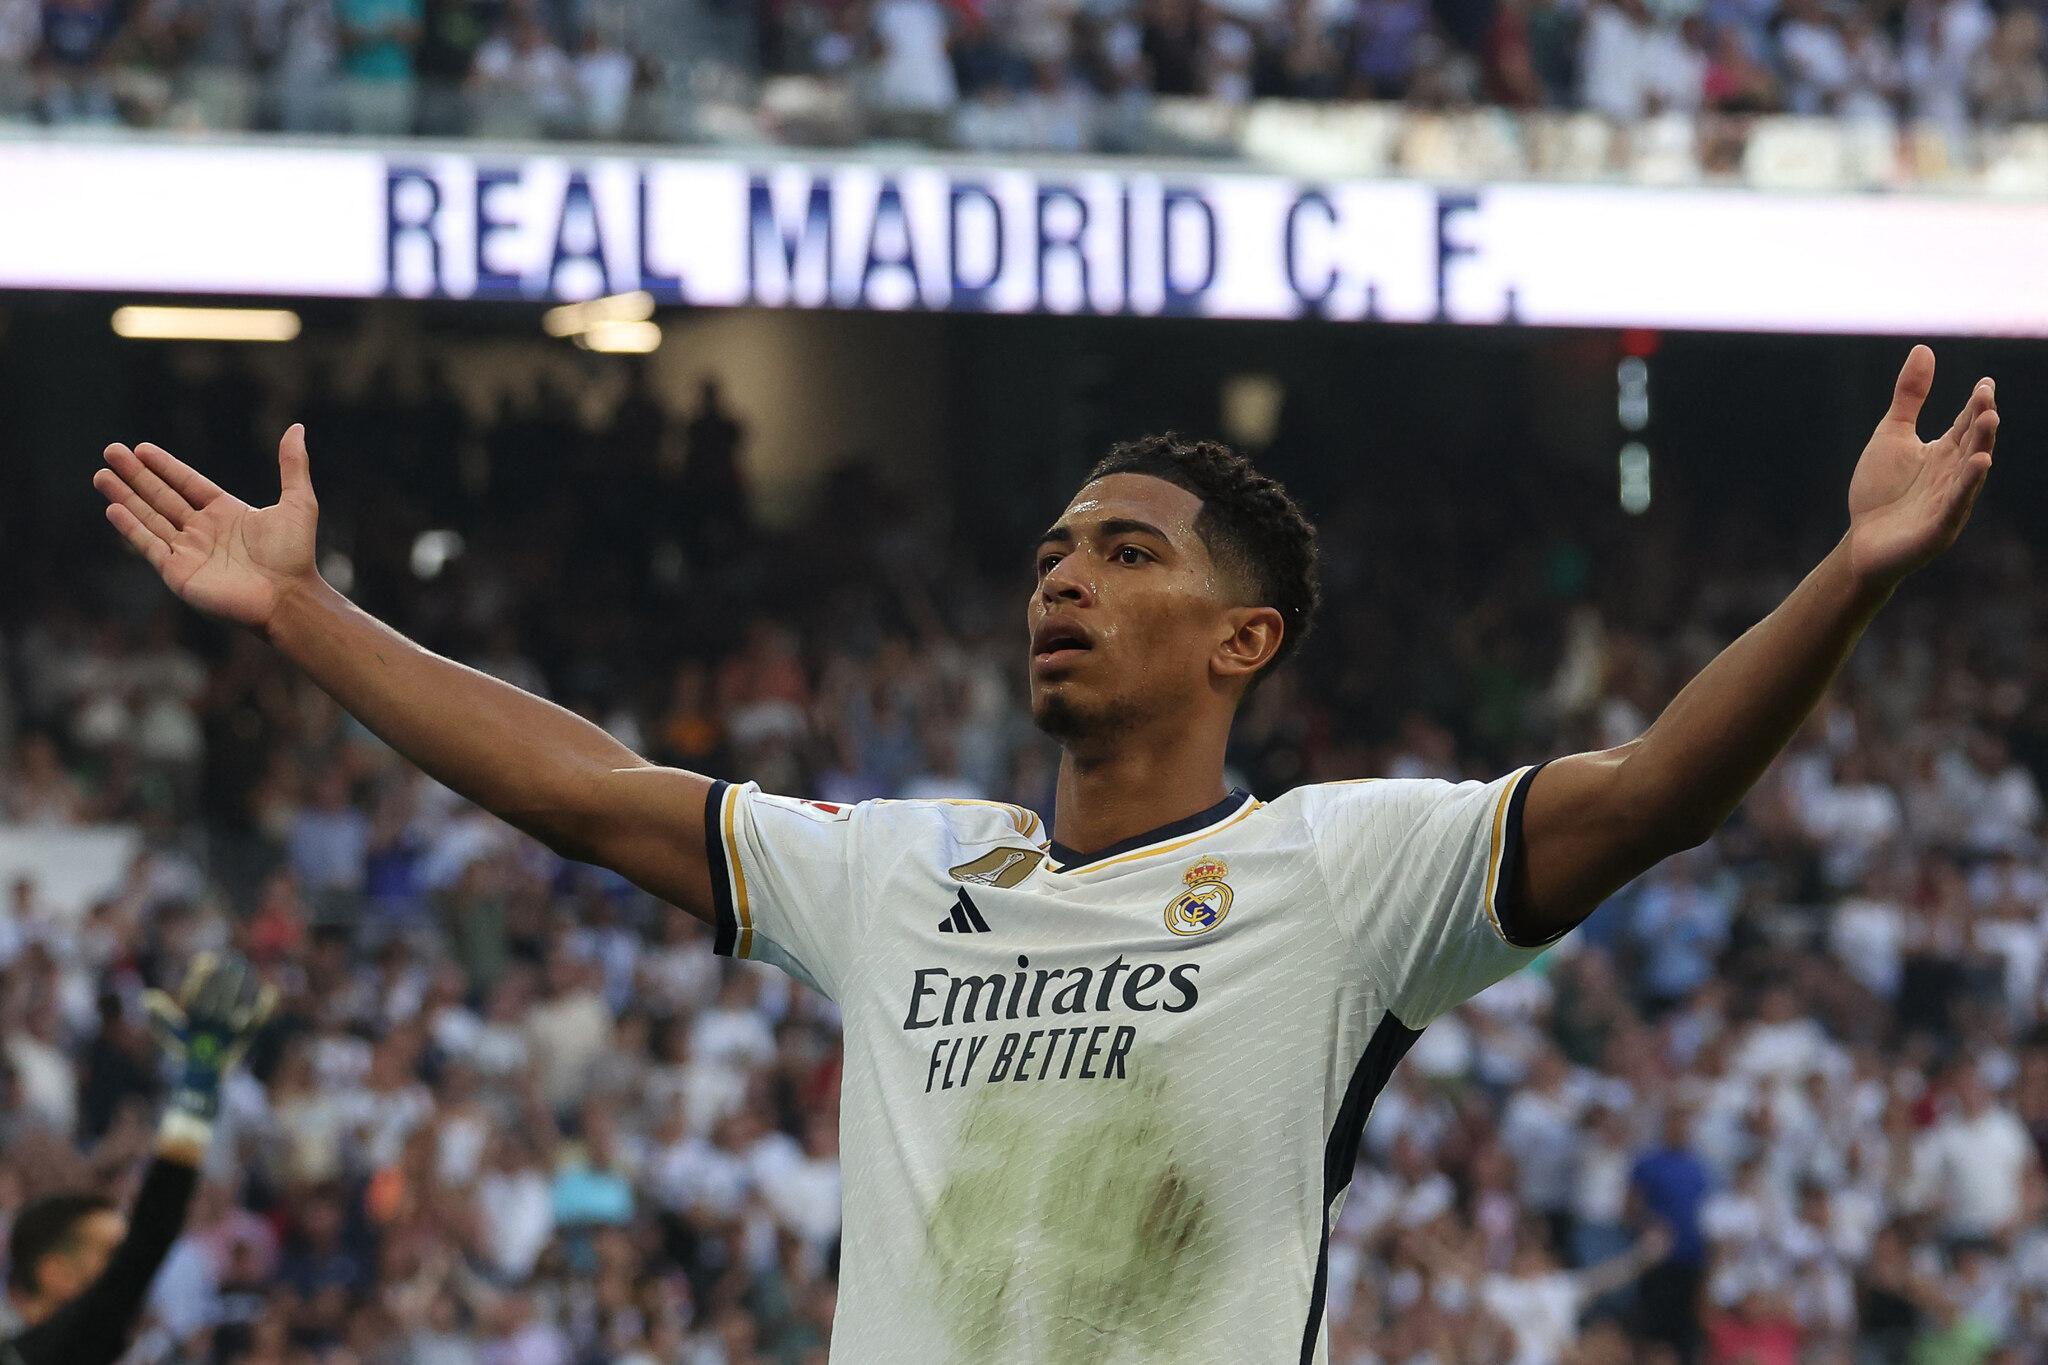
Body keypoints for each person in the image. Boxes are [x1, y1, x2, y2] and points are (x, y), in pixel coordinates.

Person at [89, 344, 1998, 1359]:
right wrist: (302, 614)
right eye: (1051, 552)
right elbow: (585, 793)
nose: (1064, 575)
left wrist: (1846, 577)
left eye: (1127, 551)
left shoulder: (1347, 878)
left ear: (1244, 642)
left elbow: (1657, 786)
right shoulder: (899, 870)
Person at [1, 952, 273, 1365]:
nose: (126, 1272)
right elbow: (153, 1230)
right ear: (54, 1271)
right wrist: (196, 1089)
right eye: (108, 1255)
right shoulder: (51, 1349)